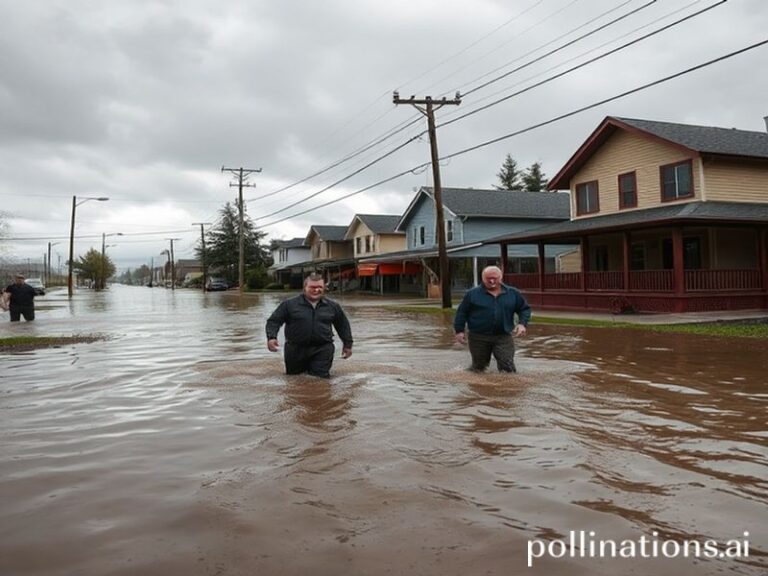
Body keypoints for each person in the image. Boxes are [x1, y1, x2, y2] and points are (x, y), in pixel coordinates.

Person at [266, 273, 353, 378]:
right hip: (295, 350)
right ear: (304, 288)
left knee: (320, 381)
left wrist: (347, 344)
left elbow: (343, 325)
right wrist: (271, 337)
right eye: (312, 287)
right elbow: (274, 321)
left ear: (324, 288)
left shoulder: (333, 306)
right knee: (294, 381)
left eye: (319, 287)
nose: (316, 290)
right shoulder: (289, 305)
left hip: (322, 349)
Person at [453, 265, 530, 373]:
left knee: (507, 367)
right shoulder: (472, 294)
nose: (492, 281)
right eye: (488, 279)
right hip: (478, 337)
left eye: (495, 278)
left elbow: (524, 309)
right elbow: (462, 312)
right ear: (483, 278)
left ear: (501, 277)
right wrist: (459, 331)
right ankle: (478, 388)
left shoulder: (513, 293)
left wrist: (522, 324)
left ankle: (507, 389)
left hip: (503, 336)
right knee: (478, 368)